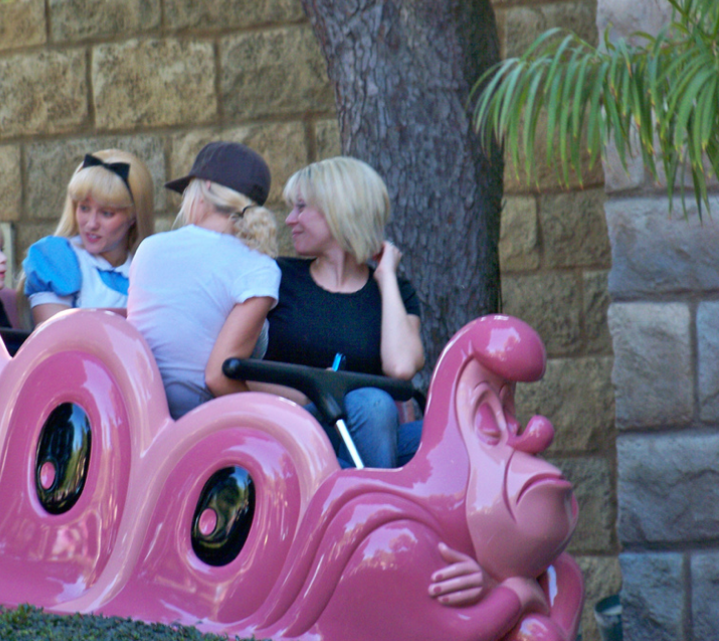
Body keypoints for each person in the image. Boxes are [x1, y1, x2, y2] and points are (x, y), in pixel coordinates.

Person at [262, 156, 425, 468]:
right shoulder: (276, 277)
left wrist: (386, 276)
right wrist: (314, 394)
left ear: (340, 212)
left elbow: (402, 367)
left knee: (454, 436)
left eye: (301, 207)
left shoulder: (394, 292)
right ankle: (373, 508)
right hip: (293, 430)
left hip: (366, 434)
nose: (290, 220)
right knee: (374, 403)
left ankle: (362, 497)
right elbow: (236, 364)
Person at [128, 141, 281, 419]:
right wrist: (272, 421)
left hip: (138, 415)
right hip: (201, 426)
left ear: (206, 187)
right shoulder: (259, 267)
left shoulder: (150, 248)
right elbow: (217, 378)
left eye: (188, 189)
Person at [21, 149, 154, 325]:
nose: (91, 224)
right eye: (84, 208)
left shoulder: (147, 273)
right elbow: (56, 343)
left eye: (106, 213)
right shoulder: (58, 258)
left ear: (133, 216)